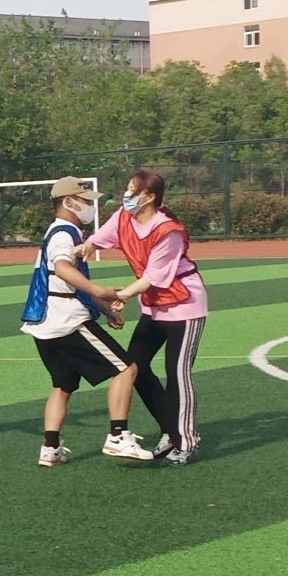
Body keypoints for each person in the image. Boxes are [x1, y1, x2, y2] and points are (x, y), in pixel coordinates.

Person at [20, 177, 154, 467]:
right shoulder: (64, 233)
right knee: (126, 369)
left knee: (63, 384)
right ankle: (118, 436)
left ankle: (50, 448)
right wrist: (100, 292)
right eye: (85, 201)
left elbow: (68, 281)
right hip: (67, 320)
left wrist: (105, 309)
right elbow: (63, 269)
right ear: (68, 202)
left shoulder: (57, 231)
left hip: (45, 323)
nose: (90, 206)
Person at [81, 170, 208, 466]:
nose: (125, 195)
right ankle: (170, 430)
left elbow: (154, 276)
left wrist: (122, 295)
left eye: (131, 190)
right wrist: (79, 248)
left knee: (178, 372)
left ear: (149, 197)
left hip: (185, 305)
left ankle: (186, 442)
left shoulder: (168, 231)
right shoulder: (123, 217)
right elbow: (98, 240)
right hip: (154, 306)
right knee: (134, 366)